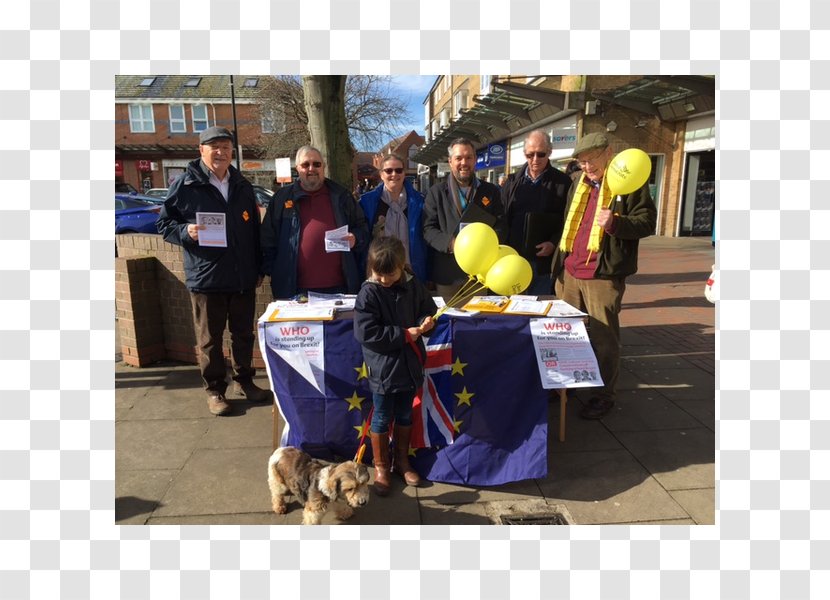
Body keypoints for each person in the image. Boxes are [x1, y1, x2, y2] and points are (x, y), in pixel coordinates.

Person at [157, 126, 272, 416]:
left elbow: (254, 231)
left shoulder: (242, 185)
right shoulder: (185, 185)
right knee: (210, 339)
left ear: (232, 151)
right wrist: (185, 231)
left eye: (225, 146)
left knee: (244, 335)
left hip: (242, 276)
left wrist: (258, 267)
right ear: (201, 151)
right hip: (207, 277)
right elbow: (164, 224)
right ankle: (215, 391)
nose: (221, 152)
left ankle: (244, 382)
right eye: (214, 147)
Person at [551, 132, 656, 420]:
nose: (586, 166)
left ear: (608, 152)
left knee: (604, 338)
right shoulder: (578, 184)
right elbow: (567, 222)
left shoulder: (630, 182)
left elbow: (647, 222)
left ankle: (603, 395)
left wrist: (616, 223)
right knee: (567, 336)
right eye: (581, 162)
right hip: (570, 271)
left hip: (602, 274)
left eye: (590, 159)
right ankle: (567, 386)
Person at [353, 237, 437, 496]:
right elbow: (366, 333)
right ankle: (381, 466)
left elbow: (428, 308)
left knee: (404, 414)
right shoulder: (368, 292)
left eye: (389, 274)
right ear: (372, 269)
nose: (384, 280)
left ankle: (402, 460)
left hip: (409, 365)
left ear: (402, 267)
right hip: (383, 367)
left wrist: (426, 322)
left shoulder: (414, 285)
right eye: (379, 274)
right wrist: (404, 335)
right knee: (381, 416)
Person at [260, 145, 369, 299]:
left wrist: (356, 238)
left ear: (323, 167)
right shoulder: (281, 199)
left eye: (317, 164)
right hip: (294, 291)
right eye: (305, 164)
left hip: (339, 289)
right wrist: (275, 272)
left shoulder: (342, 196)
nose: (311, 168)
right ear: (297, 168)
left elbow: (362, 227)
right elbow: (267, 239)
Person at [422, 137, 505, 303]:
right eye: (459, 158)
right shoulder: (436, 192)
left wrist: (485, 246)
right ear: (450, 161)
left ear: (475, 160)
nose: (464, 163)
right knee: (448, 322)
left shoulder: (491, 191)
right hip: (447, 275)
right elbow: (428, 229)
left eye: (468, 157)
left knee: (477, 324)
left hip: (478, 275)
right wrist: (452, 244)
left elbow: (501, 225)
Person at [501, 130, 572, 295]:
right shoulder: (512, 182)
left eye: (541, 154)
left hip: (543, 264)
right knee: (514, 310)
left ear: (549, 152)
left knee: (540, 310)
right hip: (514, 260)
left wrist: (554, 243)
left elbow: (569, 220)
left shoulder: (563, 183)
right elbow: (502, 217)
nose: (535, 160)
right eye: (530, 154)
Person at [359, 153, 428, 283]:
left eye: (398, 170)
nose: (394, 174)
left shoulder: (420, 202)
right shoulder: (366, 202)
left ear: (404, 173)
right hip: (378, 274)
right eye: (388, 170)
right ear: (381, 174)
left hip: (411, 272)